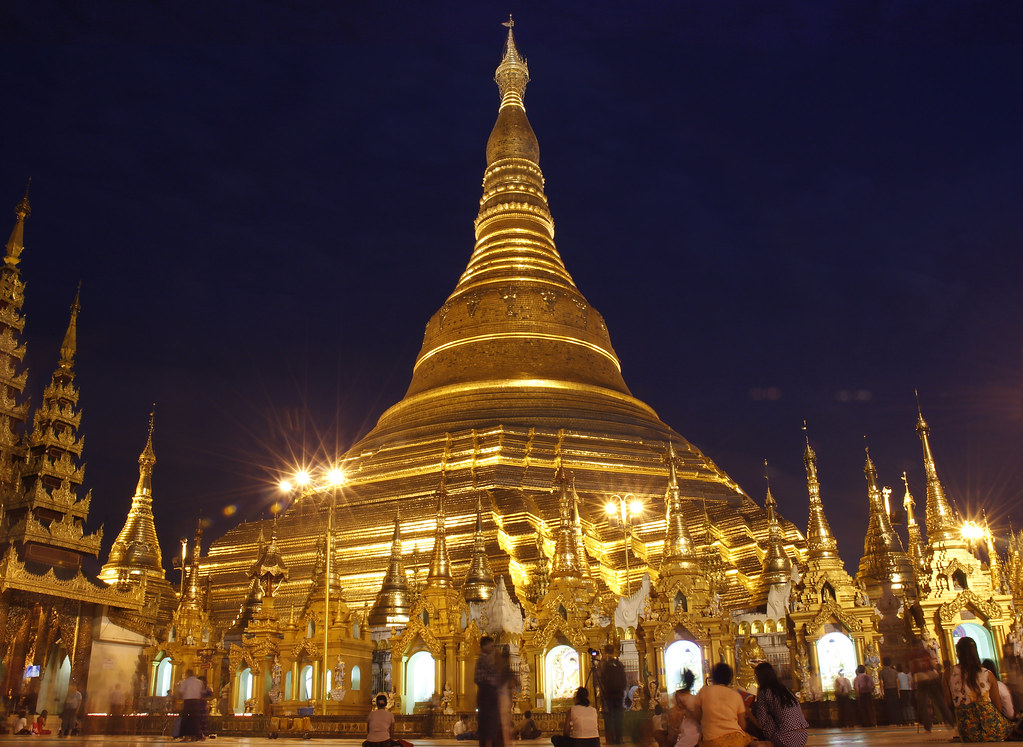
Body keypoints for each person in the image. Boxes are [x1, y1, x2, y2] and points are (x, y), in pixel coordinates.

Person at [949, 637, 1014, 741]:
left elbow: (949, 703)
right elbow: (998, 705)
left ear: (958, 652)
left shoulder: (949, 673)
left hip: (967, 730)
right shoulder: (987, 674)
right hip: (991, 726)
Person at [750, 662, 808, 747]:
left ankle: (767, 743)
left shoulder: (765, 692)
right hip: (803, 737)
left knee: (760, 713)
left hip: (786, 739)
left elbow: (761, 722)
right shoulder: (785, 690)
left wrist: (746, 711)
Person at [697, 662, 754, 747]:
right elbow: (743, 725)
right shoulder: (736, 695)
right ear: (730, 678)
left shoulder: (704, 691)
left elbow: (697, 716)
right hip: (736, 740)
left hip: (712, 740)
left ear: (713, 677)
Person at [906, 634, 953, 731]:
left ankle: (928, 726)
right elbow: (932, 664)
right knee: (940, 700)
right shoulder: (926, 653)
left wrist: (914, 682)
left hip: (920, 679)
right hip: (931, 677)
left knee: (923, 703)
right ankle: (951, 722)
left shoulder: (911, 655)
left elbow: (912, 668)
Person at [474, 636, 501, 747]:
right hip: (487, 693)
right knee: (490, 724)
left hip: (485, 693)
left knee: (486, 724)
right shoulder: (486, 659)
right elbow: (496, 672)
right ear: (485, 647)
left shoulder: (483, 658)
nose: (493, 648)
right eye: (492, 646)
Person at [598, 645, 627, 745]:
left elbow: (599, 678)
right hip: (619, 695)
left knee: (608, 717)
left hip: (608, 695)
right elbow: (624, 679)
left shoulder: (603, 664)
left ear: (604, 651)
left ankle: (610, 740)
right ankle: (619, 738)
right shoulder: (618, 663)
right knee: (618, 717)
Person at [666, 670, 700, 747]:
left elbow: (674, 718)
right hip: (696, 735)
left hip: (685, 734)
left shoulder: (678, 696)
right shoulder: (695, 699)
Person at [175, 669, 205, 741]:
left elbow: (181, 691)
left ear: (187, 674)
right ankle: (196, 736)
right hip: (196, 702)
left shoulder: (186, 682)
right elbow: (202, 692)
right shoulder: (199, 682)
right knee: (195, 719)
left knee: (186, 719)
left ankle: (186, 736)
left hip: (188, 702)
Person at [879, 657, 900, 725]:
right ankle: (897, 721)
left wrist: (882, 692)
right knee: (896, 705)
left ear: (883, 663)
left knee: (889, 706)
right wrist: (898, 691)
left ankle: (892, 721)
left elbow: (881, 683)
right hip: (894, 689)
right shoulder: (895, 671)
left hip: (887, 690)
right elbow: (897, 682)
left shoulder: (881, 672)